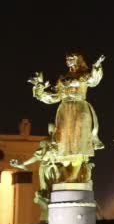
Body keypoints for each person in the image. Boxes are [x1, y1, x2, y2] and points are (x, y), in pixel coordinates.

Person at [29, 52, 105, 182]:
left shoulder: (84, 75)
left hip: (80, 109)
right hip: (64, 111)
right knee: (63, 142)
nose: (68, 61)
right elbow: (54, 96)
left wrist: (97, 66)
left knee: (78, 141)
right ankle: (68, 174)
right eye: (67, 59)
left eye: (71, 59)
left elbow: (94, 80)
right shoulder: (62, 79)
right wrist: (39, 89)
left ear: (78, 60)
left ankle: (74, 176)